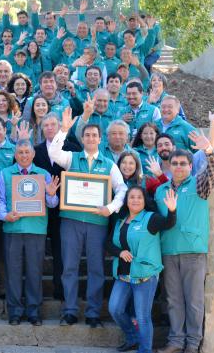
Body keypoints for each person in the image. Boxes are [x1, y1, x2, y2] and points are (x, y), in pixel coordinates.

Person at [48, 107, 127, 328]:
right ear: (82, 138)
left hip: (97, 223)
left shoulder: (109, 164)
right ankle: (70, 311)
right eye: (87, 135)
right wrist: (63, 130)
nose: (91, 138)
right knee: (69, 268)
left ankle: (93, 313)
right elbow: (53, 153)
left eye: (95, 135)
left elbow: (122, 189)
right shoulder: (71, 158)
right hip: (71, 221)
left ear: (100, 140)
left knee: (96, 269)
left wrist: (110, 208)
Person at [155, 133, 214, 353]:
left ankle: (193, 344)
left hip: (193, 251)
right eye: (174, 163)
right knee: (173, 300)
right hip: (169, 251)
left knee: (194, 302)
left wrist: (209, 151)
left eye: (183, 163)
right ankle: (176, 341)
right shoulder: (160, 191)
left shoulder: (199, 184)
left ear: (190, 166)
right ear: (169, 166)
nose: (178, 167)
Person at [106, 186, 178, 353]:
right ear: (127, 201)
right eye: (132, 197)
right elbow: (108, 243)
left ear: (145, 200)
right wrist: (120, 252)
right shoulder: (120, 220)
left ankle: (145, 349)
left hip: (145, 276)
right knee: (115, 309)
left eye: (139, 197)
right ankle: (132, 338)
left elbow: (169, 223)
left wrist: (172, 210)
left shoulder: (151, 218)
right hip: (123, 276)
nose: (135, 200)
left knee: (143, 317)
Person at [0, 140, 60, 326]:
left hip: (36, 230)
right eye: (20, 152)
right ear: (15, 155)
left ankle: (34, 312)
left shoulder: (44, 174)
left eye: (27, 152)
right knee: (13, 272)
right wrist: (4, 215)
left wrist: (50, 194)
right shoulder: (5, 174)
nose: (24, 155)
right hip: (12, 229)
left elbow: (53, 204)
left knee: (34, 271)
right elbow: (0, 200)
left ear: (33, 154)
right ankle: (15, 312)